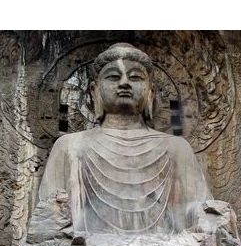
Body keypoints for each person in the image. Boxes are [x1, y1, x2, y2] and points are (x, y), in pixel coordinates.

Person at [38, 43, 213, 234]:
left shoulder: (176, 148)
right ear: (94, 90)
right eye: (113, 77)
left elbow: (199, 217)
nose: (124, 83)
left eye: (135, 77)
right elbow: (49, 220)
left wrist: (212, 222)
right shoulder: (70, 146)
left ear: (151, 91)